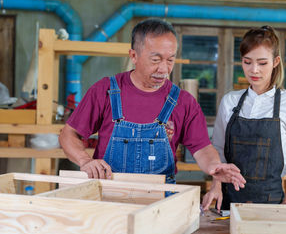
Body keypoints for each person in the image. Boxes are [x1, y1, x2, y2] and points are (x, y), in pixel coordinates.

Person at [59, 18, 246, 192]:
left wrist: (214, 166)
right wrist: (85, 161)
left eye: (170, 60)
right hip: (110, 197)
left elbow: (202, 148)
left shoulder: (184, 102)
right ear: (134, 55)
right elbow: (69, 134)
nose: (164, 69)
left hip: (160, 202)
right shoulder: (105, 91)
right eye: (155, 60)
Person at [202, 25, 286, 210]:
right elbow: (218, 150)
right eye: (247, 62)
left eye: (262, 63)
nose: (254, 70)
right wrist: (216, 186)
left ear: (275, 61)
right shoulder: (230, 101)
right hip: (229, 203)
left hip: (274, 204)